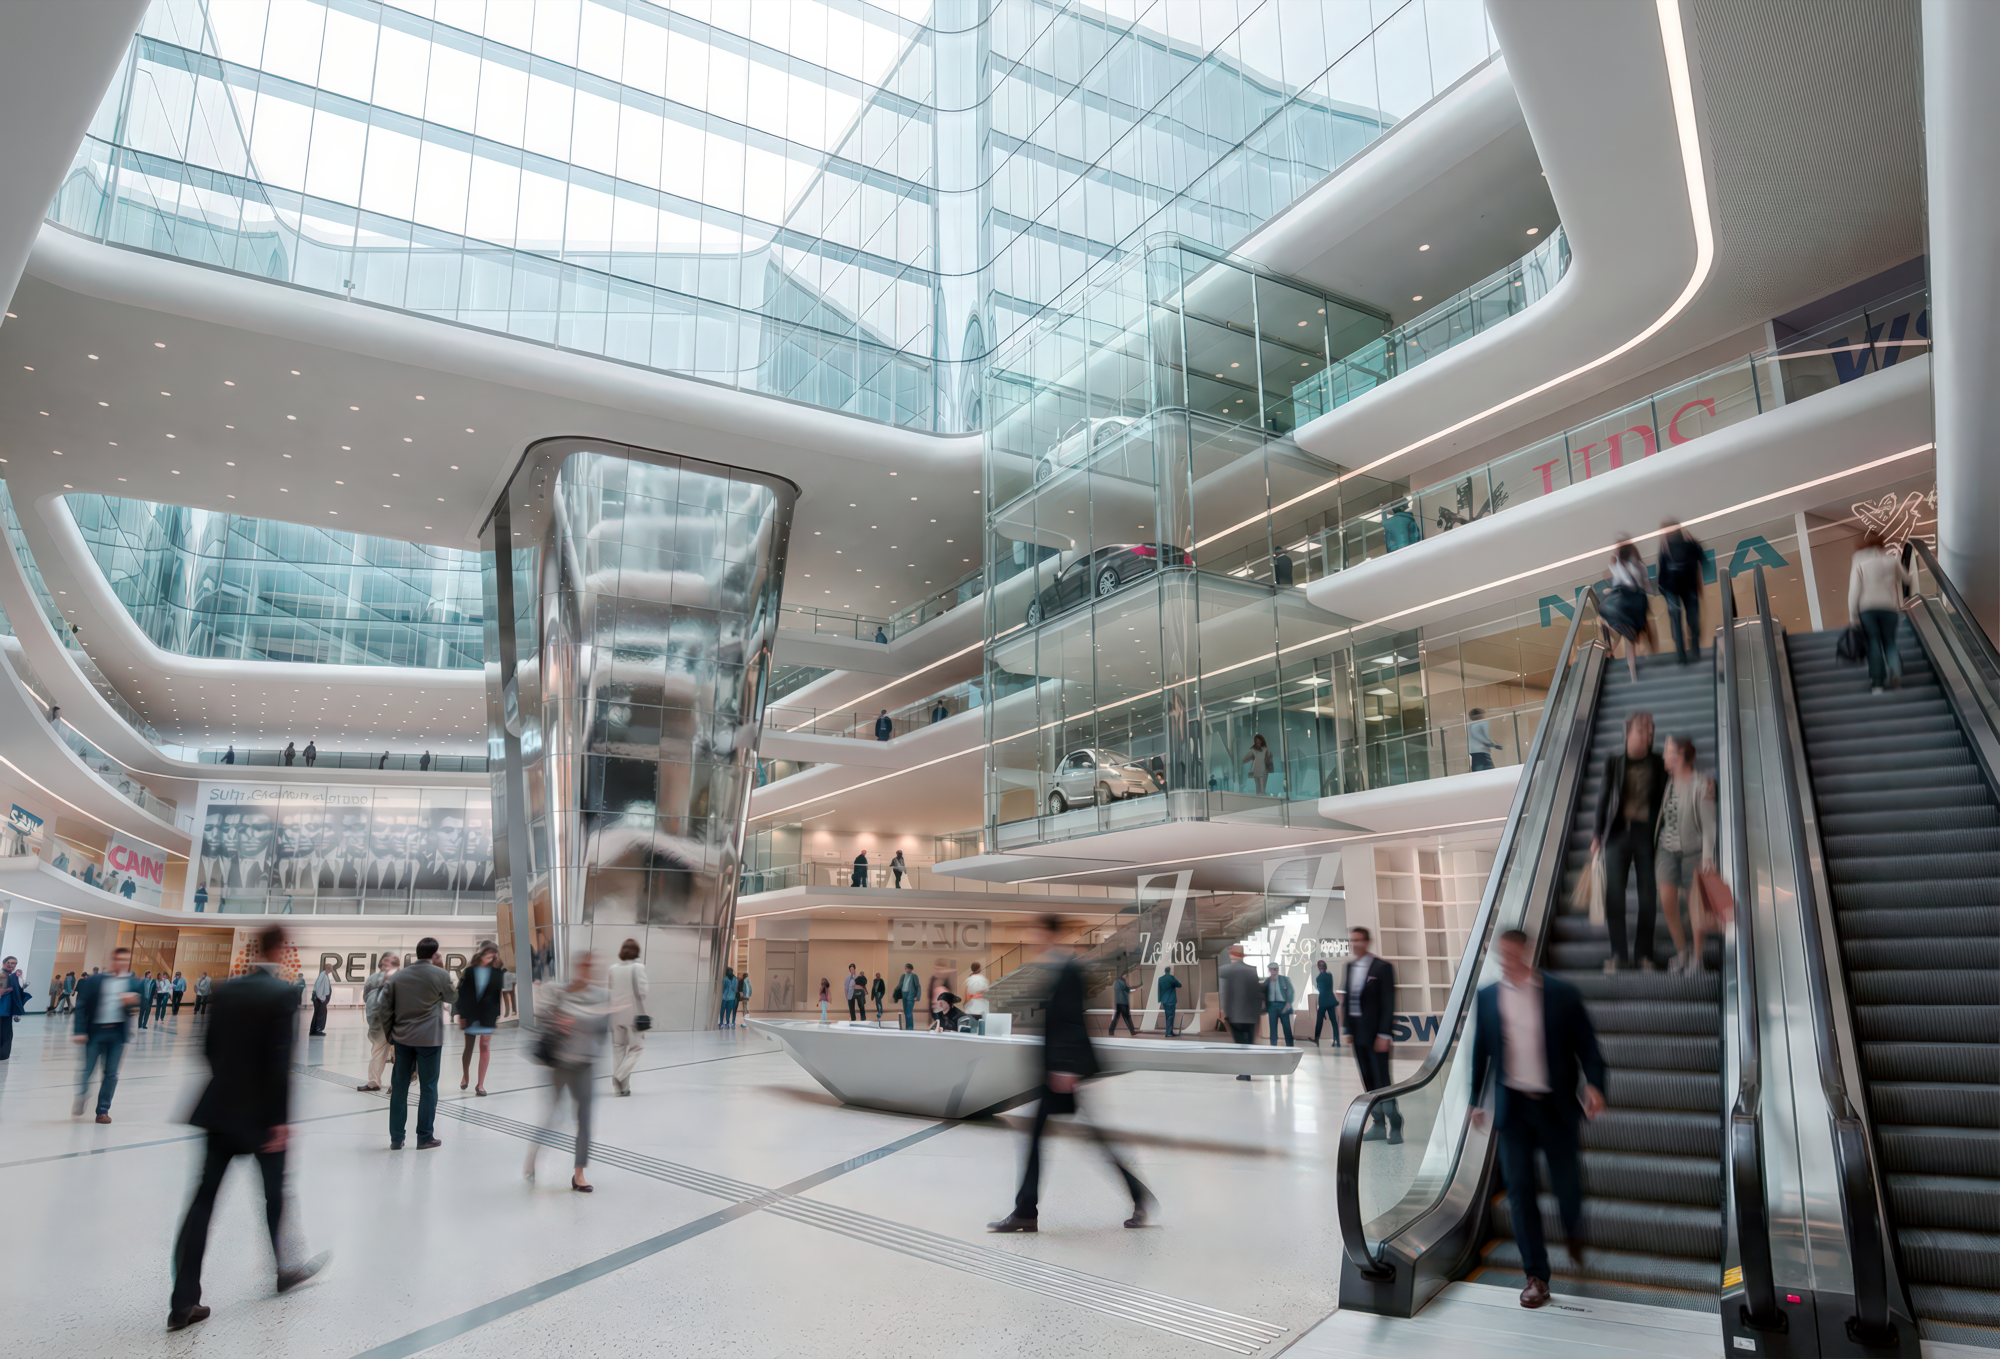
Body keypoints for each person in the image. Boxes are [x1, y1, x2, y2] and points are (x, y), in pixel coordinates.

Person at [167, 925, 330, 1331]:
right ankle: (286, 1268)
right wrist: (280, 1120)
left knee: (202, 1202)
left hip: (220, 1111)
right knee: (275, 1195)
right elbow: (280, 1064)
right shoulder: (282, 994)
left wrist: (229, 1086)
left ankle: (183, 1301)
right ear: (281, 949)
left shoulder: (224, 989)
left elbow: (204, 1049)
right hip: (262, 1119)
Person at [988, 915, 1153, 1234]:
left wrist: (1064, 1068)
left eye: (1036, 931)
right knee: (1085, 1138)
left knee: (1052, 1138)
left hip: (1063, 1072)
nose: (1033, 937)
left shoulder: (1070, 970)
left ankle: (1026, 1212)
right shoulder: (1056, 968)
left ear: (1049, 933)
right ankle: (1138, 1196)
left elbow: (1073, 1021)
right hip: (1059, 1071)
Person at [1470, 928, 1607, 1309]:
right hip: (1513, 1109)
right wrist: (1474, 1099)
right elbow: (1480, 1051)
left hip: (1556, 1107)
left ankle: (1573, 1230)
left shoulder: (1561, 993)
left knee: (1565, 1185)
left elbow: (1589, 1047)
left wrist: (1595, 1085)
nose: (1509, 961)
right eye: (1503, 955)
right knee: (1519, 1191)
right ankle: (1536, 1276)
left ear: (1527, 952)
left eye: (1515, 954)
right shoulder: (1487, 998)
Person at [525, 951, 609, 1193]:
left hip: (584, 1065)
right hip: (560, 1065)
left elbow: (602, 1031)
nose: (587, 971)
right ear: (576, 968)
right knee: (553, 1116)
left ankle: (579, 1174)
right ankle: (533, 1157)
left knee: (584, 1120)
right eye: (583, 966)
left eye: (591, 967)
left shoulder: (598, 996)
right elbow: (541, 1021)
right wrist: (558, 1022)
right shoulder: (560, 993)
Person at [1592, 711, 1666, 972]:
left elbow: (1675, 786)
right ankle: (1618, 955)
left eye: (1649, 731)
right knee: (1615, 898)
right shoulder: (1614, 762)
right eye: (1640, 730)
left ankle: (1644, 955)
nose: (1645, 735)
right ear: (1628, 731)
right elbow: (1602, 799)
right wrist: (1596, 835)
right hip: (1617, 835)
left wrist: (1708, 785)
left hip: (1646, 836)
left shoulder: (1659, 763)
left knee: (1648, 898)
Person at [380, 936, 456, 1150]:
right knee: (429, 1087)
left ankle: (396, 1138)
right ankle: (424, 1137)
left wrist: (390, 1035)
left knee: (400, 1088)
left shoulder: (398, 976)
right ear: (434, 954)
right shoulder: (440, 974)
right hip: (429, 1040)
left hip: (402, 1039)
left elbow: (384, 1008)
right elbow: (452, 997)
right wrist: (442, 969)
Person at [1656, 736, 1718, 974]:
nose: (1664, 756)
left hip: (1692, 852)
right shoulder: (1669, 782)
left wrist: (1708, 857)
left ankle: (1698, 959)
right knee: (1667, 900)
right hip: (1667, 850)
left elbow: (1709, 825)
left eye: (1668, 751)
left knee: (1695, 905)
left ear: (1680, 755)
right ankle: (1682, 952)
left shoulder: (1702, 784)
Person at [1342, 927, 1401, 1142]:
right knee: (1367, 1079)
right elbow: (1349, 1000)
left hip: (1377, 1034)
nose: (1355, 944)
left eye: (1359, 940)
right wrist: (1347, 1029)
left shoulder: (1382, 967)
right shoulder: (1349, 967)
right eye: (1353, 940)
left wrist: (1384, 1034)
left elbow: (1388, 1002)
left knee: (1382, 1079)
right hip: (1358, 1033)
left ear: (1367, 942)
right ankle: (1377, 1123)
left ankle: (1395, 1123)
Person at [73, 947, 140, 1122]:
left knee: (111, 1074)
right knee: (87, 1070)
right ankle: (82, 1094)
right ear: (113, 960)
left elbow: (135, 1010)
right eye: (119, 959)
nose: (122, 963)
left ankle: (102, 1111)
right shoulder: (96, 980)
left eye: (125, 960)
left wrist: (130, 1004)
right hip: (95, 1032)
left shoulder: (133, 983)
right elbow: (81, 1006)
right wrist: (79, 1031)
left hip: (117, 1034)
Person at [1850, 527, 1915, 694]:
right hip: (1888, 608)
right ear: (1882, 542)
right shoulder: (1891, 560)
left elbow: (1854, 589)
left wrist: (1853, 615)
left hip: (1867, 609)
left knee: (1873, 644)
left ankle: (1877, 684)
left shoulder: (1859, 560)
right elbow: (1907, 579)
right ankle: (1896, 676)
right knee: (1890, 643)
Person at [1599, 540, 1652, 682]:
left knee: (1625, 638)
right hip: (1636, 607)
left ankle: (1632, 673)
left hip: (1625, 608)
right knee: (1633, 639)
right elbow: (1644, 585)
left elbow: (1624, 584)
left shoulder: (1622, 567)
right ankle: (1639, 669)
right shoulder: (1638, 566)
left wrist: (1611, 589)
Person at [456, 944, 504, 1096]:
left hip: (488, 1014)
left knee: (485, 1045)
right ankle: (466, 1075)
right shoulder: (469, 971)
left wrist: (496, 1016)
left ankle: (480, 1084)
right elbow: (461, 994)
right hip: (470, 1013)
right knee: (469, 1047)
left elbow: (497, 996)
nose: (491, 957)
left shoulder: (497, 973)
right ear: (481, 955)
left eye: (493, 955)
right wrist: (461, 1015)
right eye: (488, 954)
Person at [1657, 521, 1705, 665]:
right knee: (1686, 622)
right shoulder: (1667, 548)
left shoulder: (1684, 545)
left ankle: (1689, 653)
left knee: (1687, 622)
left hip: (1683, 589)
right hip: (1675, 590)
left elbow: (1701, 559)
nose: (1665, 534)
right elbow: (1702, 559)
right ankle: (1684, 655)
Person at [608, 939, 648, 1096]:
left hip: (615, 1015)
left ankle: (621, 1089)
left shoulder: (612, 969)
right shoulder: (638, 967)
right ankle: (620, 1075)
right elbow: (643, 992)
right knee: (637, 1047)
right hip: (633, 1014)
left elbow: (610, 990)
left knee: (618, 1050)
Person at [1218, 945, 1262, 1079]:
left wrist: (1225, 1011)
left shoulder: (1225, 970)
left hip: (1235, 1015)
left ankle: (1244, 1072)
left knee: (1240, 1045)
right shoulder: (1252, 970)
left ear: (1231, 955)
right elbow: (1257, 994)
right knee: (1248, 1044)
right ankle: (1247, 1071)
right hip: (1251, 1015)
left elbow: (1225, 993)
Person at [357, 953, 399, 1091]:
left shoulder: (374, 977)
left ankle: (383, 1083)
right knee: (389, 1050)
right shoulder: (394, 977)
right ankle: (385, 1083)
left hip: (384, 1018)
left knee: (386, 1050)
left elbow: (365, 996)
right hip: (385, 1019)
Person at [0, 956, 28, 1059]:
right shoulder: (3, 975)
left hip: (6, 1010)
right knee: (6, 1034)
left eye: (14, 963)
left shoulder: (10, 976)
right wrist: (7, 990)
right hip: (3, 1010)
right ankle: (3, 1055)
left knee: (4, 1033)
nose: (11, 965)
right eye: (9, 963)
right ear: (4, 963)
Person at [1264, 962, 1295, 1047]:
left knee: (1286, 1027)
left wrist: (1289, 1003)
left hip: (1283, 1005)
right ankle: (1273, 1047)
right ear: (1269, 970)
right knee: (1273, 1028)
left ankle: (1290, 1046)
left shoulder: (1284, 979)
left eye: (1276, 969)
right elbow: (1263, 992)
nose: (1275, 971)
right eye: (1273, 969)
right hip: (1272, 1006)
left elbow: (1290, 991)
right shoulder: (1267, 981)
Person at [1311, 958, 1337, 1044]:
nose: (1320, 967)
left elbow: (1320, 989)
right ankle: (1336, 1039)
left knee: (1320, 1021)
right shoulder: (1329, 975)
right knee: (1333, 1021)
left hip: (1324, 1002)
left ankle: (1317, 1039)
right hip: (1330, 1001)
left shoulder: (1319, 977)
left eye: (1321, 966)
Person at [963, 962, 990, 1035]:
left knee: (972, 1030)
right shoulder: (983, 980)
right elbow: (986, 993)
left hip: (972, 1009)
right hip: (981, 1009)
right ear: (979, 969)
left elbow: (967, 997)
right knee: (982, 1030)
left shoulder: (969, 980)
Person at [308, 960, 334, 1036]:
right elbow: (318, 987)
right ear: (327, 968)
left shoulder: (324, 975)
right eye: (330, 968)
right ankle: (318, 1030)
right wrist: (322, 999)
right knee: (321, 1014)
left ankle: (314, 1030)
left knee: (317, 1014)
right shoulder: (323, 975)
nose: (331, 969)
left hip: (319, 999)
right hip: (320, 999)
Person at [1156, 967, 1182, 1037]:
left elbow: (1159, 990)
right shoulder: (1171, 978)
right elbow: (1179, 985)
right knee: (1171, 1017)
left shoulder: (1160, 979)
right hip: (1171, 1000)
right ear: (1170, 971)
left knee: (1168, 1017)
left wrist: (1160, 1001)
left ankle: (1170, 1031)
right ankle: (1168, 1033)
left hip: (1164, 1001)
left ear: (1164, 971)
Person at [894, 962, 920, 1029]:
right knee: (905, 1011)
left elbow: (918, 986)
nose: (906, 969)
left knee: (909, 1011)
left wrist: (917, 996)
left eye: (908, 968)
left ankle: (910, 1027)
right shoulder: (903, 975)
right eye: (905, 968)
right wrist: (896, 989)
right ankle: (907, 1026)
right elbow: (900, 984)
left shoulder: (914, 976)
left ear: (911, 969)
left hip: (911, 994)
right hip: (904, 994)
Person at [1108, 972, 1135, 1036]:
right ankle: (1132, 1031)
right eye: (1126, 976)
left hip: (1118, 1002)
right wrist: (1130, 988)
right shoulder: (1121, 982)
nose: (1127, 977)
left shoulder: (1116, 982)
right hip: (1123, 1002)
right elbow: (1127, 989)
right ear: (1124, 975)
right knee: (1127, 1017)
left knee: (1116, 1017)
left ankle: (1111, 1031)